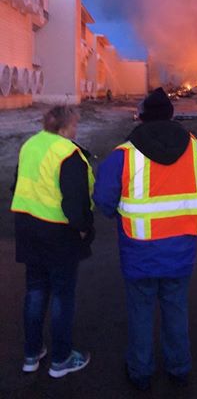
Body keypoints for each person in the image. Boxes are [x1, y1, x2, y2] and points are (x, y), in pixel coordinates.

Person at [94, 88, 197, 391]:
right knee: (176, 308)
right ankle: (179, 368)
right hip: (181, 253)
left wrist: (119, 213)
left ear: (143, 116)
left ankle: (140, 372)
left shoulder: (123, 155)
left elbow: (103, 199)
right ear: (171, 115)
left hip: (139, 253)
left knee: (140, 312)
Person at [10, 105, 94, 378]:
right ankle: (61, 359)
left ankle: (31, 355)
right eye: (75, 125)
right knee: (61, 294)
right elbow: (75, 199)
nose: (77, 129)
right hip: (57, 233)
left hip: (26, 227)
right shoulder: (68, 152)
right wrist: (83, 228)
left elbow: (17, 183)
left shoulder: (30, 145)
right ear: (64, 128)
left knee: (35, 290)